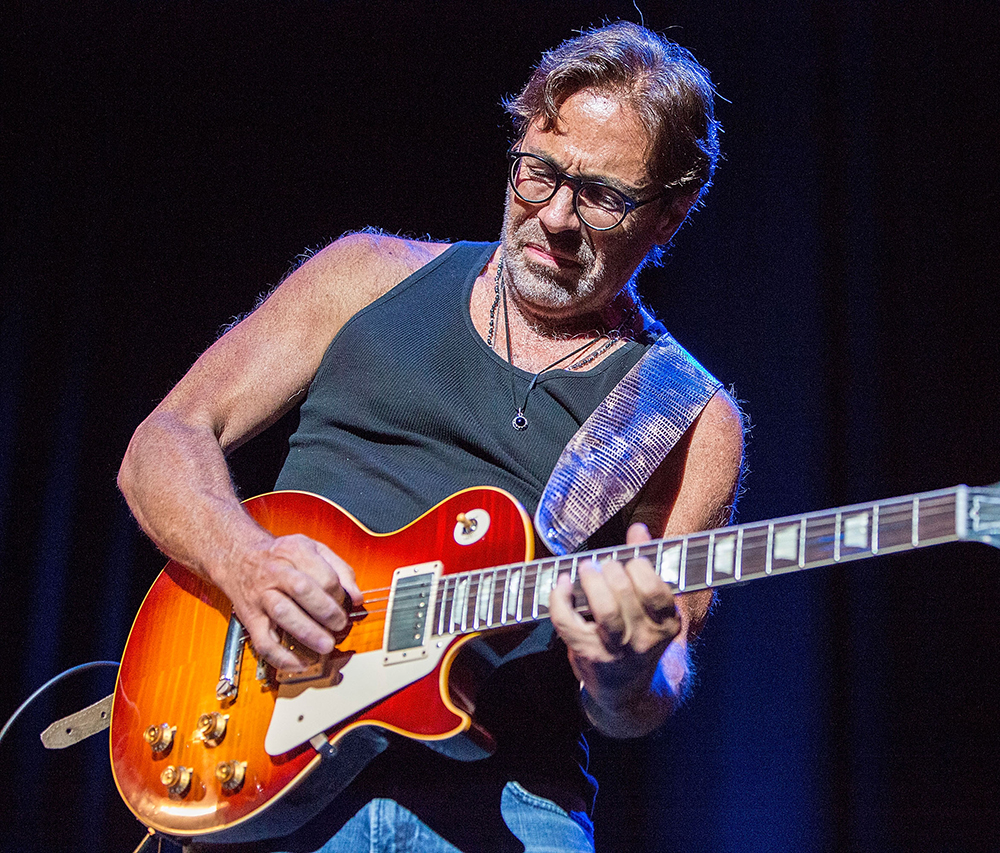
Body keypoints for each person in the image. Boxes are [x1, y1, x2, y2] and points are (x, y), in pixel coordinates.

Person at [117, 20, 744, 853]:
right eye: (539, 172)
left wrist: (628, 667)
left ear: (671, 213)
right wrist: (243, 558)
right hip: (259, 748)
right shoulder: (365, 275)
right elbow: (162, 441)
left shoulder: (689, 415)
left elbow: (650, 692)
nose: (555, 216)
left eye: (601, 196)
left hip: (509, 798)